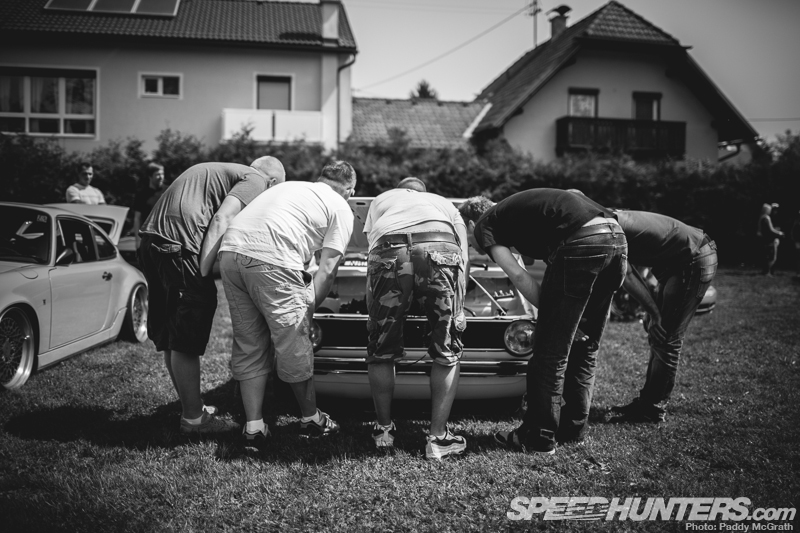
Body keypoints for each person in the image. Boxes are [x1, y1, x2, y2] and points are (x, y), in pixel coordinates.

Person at [459, 189, 627, 455]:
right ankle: (572, 430)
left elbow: (518, 275)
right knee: (586, 347)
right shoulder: (512, 214)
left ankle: (539, 437)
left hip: (582, 240)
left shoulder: (483, 225)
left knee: (549, 353)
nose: (472, 247)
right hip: (616, 237)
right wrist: (568, 318)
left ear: (470, 224)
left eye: (466, 241)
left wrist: (554, 316)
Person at [137, 157, 286, 434]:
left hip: (152, 242)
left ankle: (192, 407)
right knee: (186, 336)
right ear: (273, 182)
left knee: (173, 336)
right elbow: (222, 218)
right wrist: (203, 271)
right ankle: (194, 420)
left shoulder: (219, 172)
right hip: (179, 246)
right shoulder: (256, 179)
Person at [218, 161, 356, 448]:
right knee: (293, 342)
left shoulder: (293, 188)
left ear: (320, 178)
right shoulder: (341, 206)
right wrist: (308, 309)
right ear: (350, 191)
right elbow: (328, 268)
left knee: (249, 341)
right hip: (271, 258)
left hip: (230, 252)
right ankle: (311, 419)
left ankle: (254, 427)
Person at [364, 178, 470, 459]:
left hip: (389, 248)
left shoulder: (382, 200)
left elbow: (372, 251)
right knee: (447, 349)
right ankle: (438, 439)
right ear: (424, 193)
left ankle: (383, 431)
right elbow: (463, 257)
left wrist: (374, 313)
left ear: (400, 190)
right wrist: (458, 308)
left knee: (381, 348)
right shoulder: (444, 204)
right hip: (440, 246)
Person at [607, 210, 718, 423]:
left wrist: (653, 311)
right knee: (658, 335)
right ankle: (647, 401)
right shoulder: (613, 220)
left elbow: (627, 275)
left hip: (693, 257)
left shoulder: (609, 229)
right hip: (678, 261)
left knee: (667, 338)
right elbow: (641, 268)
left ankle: (652, 410)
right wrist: (652, 309)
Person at [132, 162, 166, 248]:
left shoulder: (168, 191)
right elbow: (137, 218)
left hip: (166, 238)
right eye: (157, 174)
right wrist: (137, 239)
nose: (161, 177)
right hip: (148, 239)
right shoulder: (141, 195)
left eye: (162, 174)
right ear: (150, 176)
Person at [757, 203, 783, 276]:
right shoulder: (767, 218)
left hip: (765, 239)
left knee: (767, 255)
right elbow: (771, 230)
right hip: (770, 239)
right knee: (772, 256)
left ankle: (767, 271)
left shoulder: (761, 217)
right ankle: (768, 271)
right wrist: (779, 233)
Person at [792, 210, 800, 279]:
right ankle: (798, 273)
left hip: (797, 242)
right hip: (798, 242)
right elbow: (794, 233)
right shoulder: (797, 223)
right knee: (798, 257)